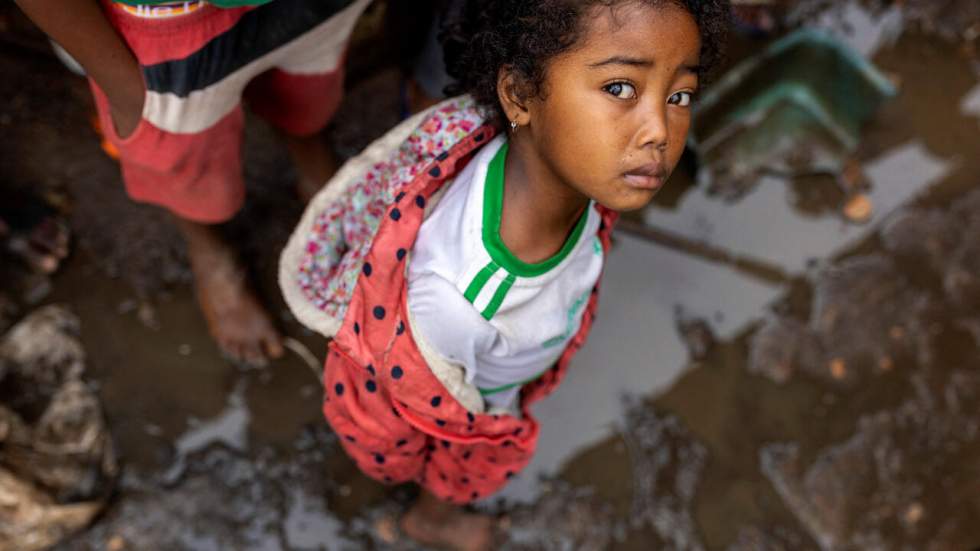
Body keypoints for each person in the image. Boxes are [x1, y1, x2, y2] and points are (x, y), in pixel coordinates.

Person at [279, 0, 731, 549]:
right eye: (619, 88)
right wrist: (493, 424)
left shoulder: (566, 168)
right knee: (470, 457)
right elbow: (446, 418)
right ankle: (432, 517)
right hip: (474, 401)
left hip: (511, 344)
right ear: (519, 95)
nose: (659, 129)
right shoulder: (462, 302)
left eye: (679, 95)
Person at [13, 0, 372, 365]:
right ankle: (207, 247)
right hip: (164, 25)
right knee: (181, 155)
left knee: (310, 83)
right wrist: (119, 79)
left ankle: (311, 157)